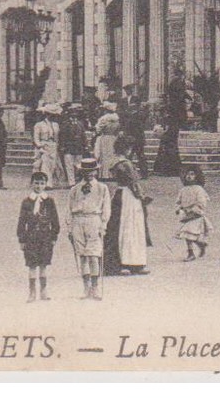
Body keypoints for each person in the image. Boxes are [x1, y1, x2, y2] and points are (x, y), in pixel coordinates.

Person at [103, 137, 150, 275]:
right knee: (132, 228)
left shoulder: (114, 162)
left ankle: (122, 263)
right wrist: (141, 196)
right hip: (130, 196)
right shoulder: (126, 164)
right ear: (127, 149)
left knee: (120, 228)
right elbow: (134, 183)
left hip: (120, 194)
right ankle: (133, 263)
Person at [67, 157, 112, 300]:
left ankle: (95, 288)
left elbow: (106, 208)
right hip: (78, 220)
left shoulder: (102, 188)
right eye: (86, 171)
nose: (90, 174)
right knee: (82, 256)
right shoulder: (75, 189)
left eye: (92, 171)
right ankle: (86, 288)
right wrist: (69, 227)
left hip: (94, 220)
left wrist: (103, 225)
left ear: (96, 171)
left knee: (93, 256)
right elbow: (68, 208)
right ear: (81, 172)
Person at [16, 171, 60, 302]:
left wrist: (53, 237)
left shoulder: (49, 201)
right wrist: (22, 239)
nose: (39, 186)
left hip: (45, 237)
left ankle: (43, 291)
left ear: (45, 184)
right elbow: (22, 221)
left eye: (42, 183)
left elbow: (55, 221)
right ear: (31, 184)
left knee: (43, 264)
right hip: (31, 237)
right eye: (36, 183)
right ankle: (32, 292)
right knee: (32, 264)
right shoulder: (27, 201)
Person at [174, 166, 211, 260]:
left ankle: (191, 253)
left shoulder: (199, 189)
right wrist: (179, 208)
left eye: (192, 174)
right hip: (186, 215)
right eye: (187, 174)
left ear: (197, 176)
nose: (189, 176)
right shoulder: (183, 190)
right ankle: (200, 245)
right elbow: (179, 201)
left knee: (188, 233)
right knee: (188, 234)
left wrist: (194, 210)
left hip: (195, 215)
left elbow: (201, 203)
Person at [32, 104, 65, 188]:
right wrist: (40, 146)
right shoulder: (39, 125)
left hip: (53, 146)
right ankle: (47, 184)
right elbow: (36, 138)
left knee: (54, 165)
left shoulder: (56, 125)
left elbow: (57, 137)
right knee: (45, 165)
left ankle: (54, 182)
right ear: (47, 115)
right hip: (44, 146)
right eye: (52, 115)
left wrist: (57, 146)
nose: (54, 117)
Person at [120, 86, 149, 176]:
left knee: (139, 155)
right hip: (130, 136)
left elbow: (141, 125)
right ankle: (128, 172)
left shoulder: (138, 116)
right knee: (129, 155)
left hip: (137, 137)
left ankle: (143, 172)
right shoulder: (123, 102)